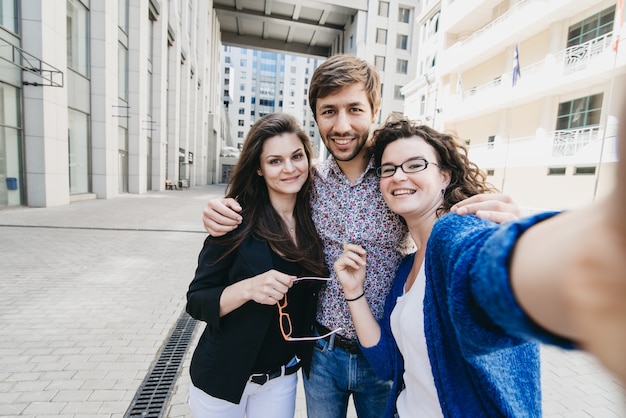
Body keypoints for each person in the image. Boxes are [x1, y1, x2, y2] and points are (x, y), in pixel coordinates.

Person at [201, 54, 520, 418]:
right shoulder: (308, 182)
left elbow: (454, 209)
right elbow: (261, 198)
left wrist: (508, 227)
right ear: (316, 116)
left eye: (354, 109)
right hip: (321, 352)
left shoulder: (396, 177)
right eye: (328, 111)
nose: (342, 125)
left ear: (375, 109)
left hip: (385, 356)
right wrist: (219, 209)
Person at [334, 112, 626, 417]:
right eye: (388, 169)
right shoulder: (407, 269)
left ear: (444, 176)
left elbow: (490, 270)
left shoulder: (458, 234)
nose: (398, 176)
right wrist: (354, 292)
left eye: (415, 164)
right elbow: (387, 364)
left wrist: (523, 243)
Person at [186, 113, 332, 418]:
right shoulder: (235, 220)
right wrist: (248, 288)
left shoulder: (317, 218)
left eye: (296, 156)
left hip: (281, 379)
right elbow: (197, 301)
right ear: (259, 168)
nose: (290, 168)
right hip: (223, 377)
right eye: (275, 161)